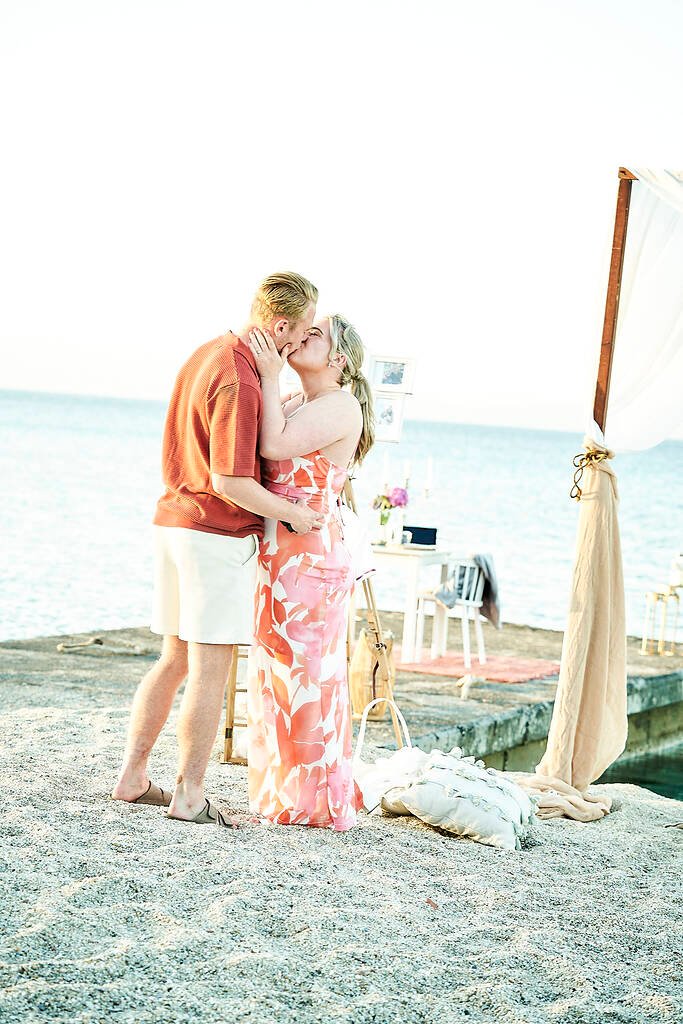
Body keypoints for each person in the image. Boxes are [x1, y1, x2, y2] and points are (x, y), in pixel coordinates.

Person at [111, 272, 324, 827]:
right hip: (213, 533)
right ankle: (190, 794)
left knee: (174, 657)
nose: (300, 345)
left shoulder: (210, 352)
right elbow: (232, 480)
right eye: (299, 335)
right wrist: (297, 514)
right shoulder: (240, 378)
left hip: (174, 522)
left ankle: (133, 777)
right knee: (211, 669)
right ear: (279, 325)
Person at [246, 314, 375, 830]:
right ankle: (283, 791)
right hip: (283, 555)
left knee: (307, 676)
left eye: (315, 335)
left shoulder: (340, 406)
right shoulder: (304, 402)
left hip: (311, 562)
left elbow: (272, 447)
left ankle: (314, 800)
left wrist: (270, 373)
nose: (302, 338)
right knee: (276, 671)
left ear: (339, 360)